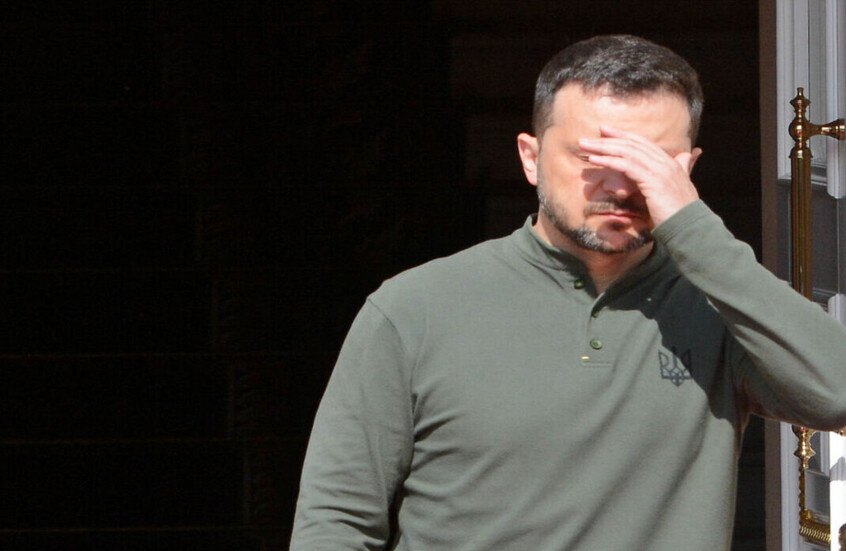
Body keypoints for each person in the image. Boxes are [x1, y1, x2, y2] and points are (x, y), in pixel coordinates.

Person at [289, 34, 846, 550]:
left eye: (649, 162)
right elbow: (336, 520)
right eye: (592, 158)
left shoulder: (719, 302)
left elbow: (837, 395)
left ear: (688, 169)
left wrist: (696, 229)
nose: (621, 185)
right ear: (530, 158)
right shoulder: (414, 308)